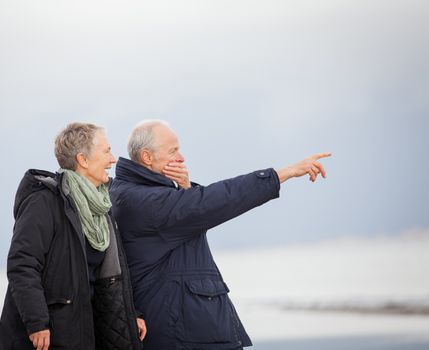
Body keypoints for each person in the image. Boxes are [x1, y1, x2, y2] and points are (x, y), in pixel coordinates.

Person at [109, 120, 330, 350]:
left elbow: (191, 215)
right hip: (182, 333)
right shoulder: (144, 201)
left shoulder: (143, 194)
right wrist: (283, 173)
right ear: (147, 157)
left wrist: (185, 189)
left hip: (187, 326)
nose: (181, 158)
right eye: (173, 151)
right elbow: (216, 201)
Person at [0, 122, 146, 350]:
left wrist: (130, 314)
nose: (113, 159)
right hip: (51, 335)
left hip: (91, 330)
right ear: (83, 160)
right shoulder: (44, 202)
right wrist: (37, 323)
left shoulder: (102, 205)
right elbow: (23, 264)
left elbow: (111, 274)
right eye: (106, 151)